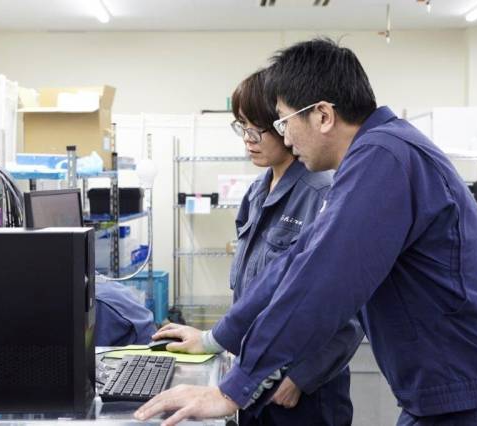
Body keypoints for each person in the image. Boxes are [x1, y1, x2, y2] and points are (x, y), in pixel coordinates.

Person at [135, 38, 477, 426]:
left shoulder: (384, 158)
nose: (285, 137)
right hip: (442, 397)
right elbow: (296, 262)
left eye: (283, 121)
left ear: (323, 115)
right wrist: (216, 339)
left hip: (474, 403)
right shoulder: (375, 156)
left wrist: (233, 390)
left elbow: (321, 282)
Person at [153, 69, 363, 425]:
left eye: (257, 129)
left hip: (302, 394)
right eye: (242, 127)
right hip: (253, 378)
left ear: (285, 124)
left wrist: (302, 377)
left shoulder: (322, 193)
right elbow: (253, 293)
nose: (248, 140)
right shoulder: (256, 193)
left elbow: (349, 312)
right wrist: (212, 339)